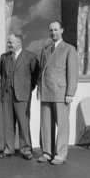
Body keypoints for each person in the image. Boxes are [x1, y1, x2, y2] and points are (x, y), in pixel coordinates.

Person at [37, 21, 78, 165]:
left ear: (62, 30)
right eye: (50, 30)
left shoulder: (69, 49)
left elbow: (72, 73)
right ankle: (47, 153)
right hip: (46, 91)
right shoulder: (45, 49)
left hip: (61, 92)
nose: (53, 32)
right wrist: (39, 88)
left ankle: (60, 154)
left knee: (62, 125)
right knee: (46, 124)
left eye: (55, 30)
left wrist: (70, 93)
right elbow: (42, 71)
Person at [0, 33, 39, 160]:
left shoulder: (31, 56)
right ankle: (8, 149)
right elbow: (2, 75)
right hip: (7, 94)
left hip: (22, 94)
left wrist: (27, 89)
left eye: (10, 42)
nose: (8, 44)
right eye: (8, 42)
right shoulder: (4, 57)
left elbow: (35, 75)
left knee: (23, 122)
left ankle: (26, 150)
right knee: (8, 123)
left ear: (19, 43)